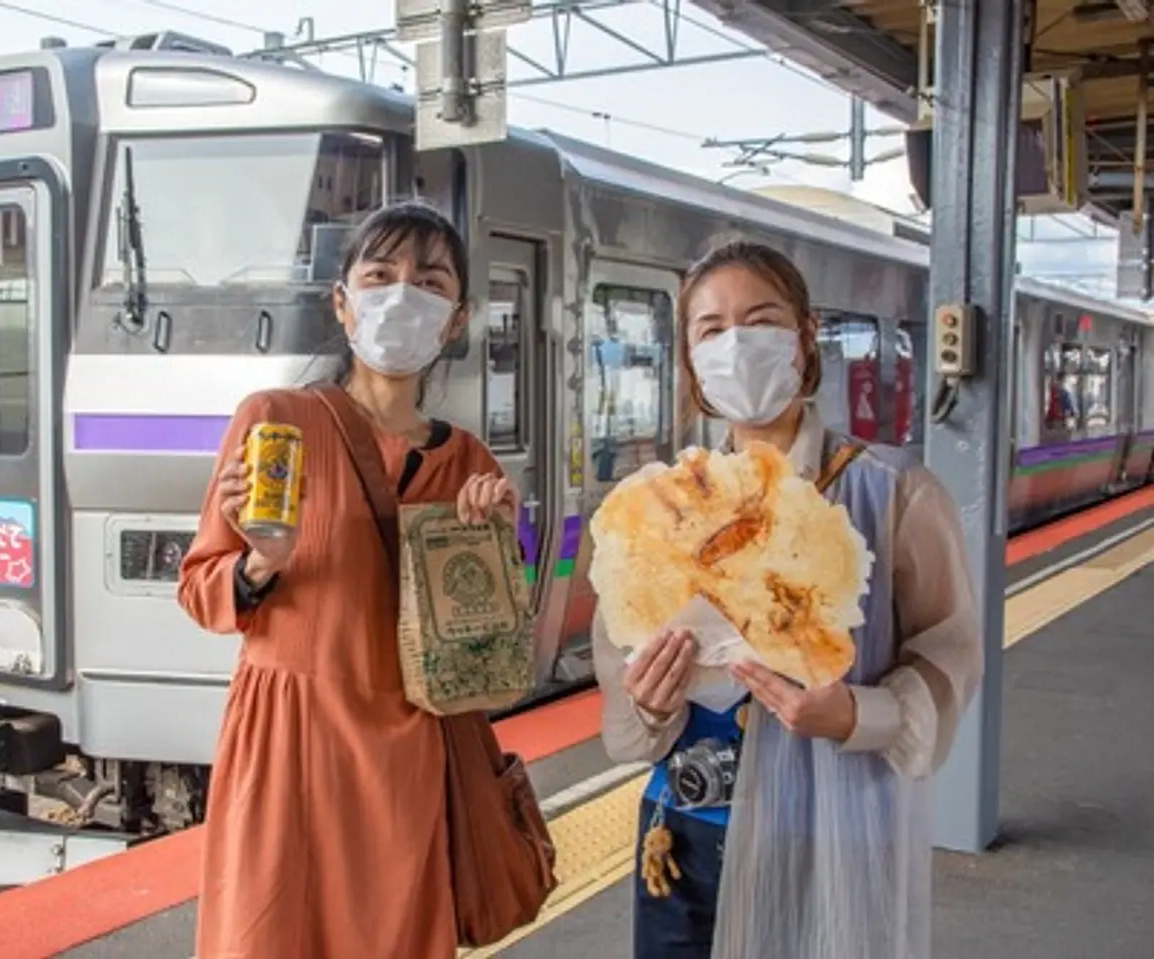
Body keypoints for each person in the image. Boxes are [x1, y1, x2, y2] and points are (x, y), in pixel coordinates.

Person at [591, 239, 983, 959]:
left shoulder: (894, 494)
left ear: (805, 337)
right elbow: (623, 681)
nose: (736, 344)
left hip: (828, 837)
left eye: (762, 320)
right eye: (712, 329)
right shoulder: (658, 509)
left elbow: (951, 657)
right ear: (691, 359)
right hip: (681, 839)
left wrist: (857, 714)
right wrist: (648, 702)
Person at [178, 200, 516, 959]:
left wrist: (490, 546)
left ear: (457, 319)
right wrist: (260, 562)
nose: (403, 295)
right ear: (342, 302)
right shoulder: (275, 422)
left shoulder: (469, 463)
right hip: (290, 742)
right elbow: (200, 586)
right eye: (380, 275)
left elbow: (492, 652)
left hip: (410, 752)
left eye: (430, 282)